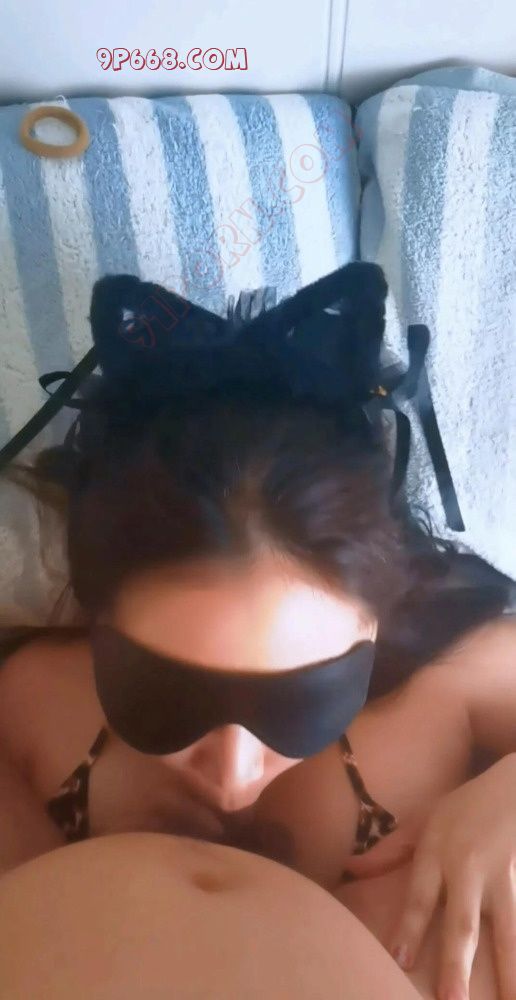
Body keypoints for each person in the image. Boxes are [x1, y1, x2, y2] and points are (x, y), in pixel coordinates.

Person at [0, 264, 514, 999]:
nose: (233, 773)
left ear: (375, 621)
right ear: (97, 616)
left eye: (301, 701)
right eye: (164, 698)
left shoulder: (448, 685)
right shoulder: (30, 705)